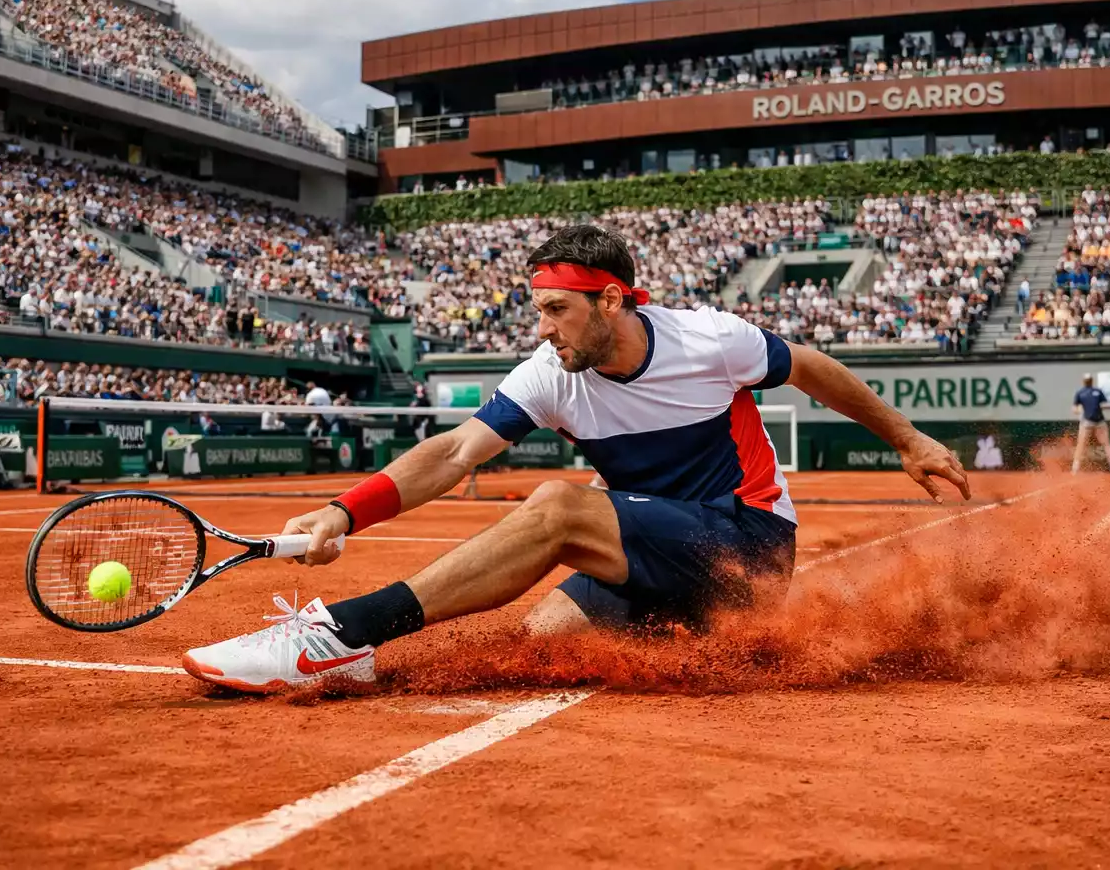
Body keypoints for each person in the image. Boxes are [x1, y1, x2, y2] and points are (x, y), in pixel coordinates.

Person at [182, 225, 970, 693]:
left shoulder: (709, 339)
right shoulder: (549, 373)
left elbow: (810, 367)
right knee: (546, 640)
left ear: (612, 300)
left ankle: (337, 636)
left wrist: (908, 439)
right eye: (540, 310)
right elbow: (455, 451)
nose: (544, 328)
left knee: (558, 507)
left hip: (747, 545)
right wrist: (342, 511)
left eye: (558, 309)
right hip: (658, 554)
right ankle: (701, 636)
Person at [1072, 374, 1110, 475]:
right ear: (1090, 381)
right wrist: (1082, 411)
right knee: (1083, 444)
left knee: (1104, 444)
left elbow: (1102, 404)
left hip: (1097, 422)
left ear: (1085, 381)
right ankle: (1075, 468)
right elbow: (1075, 409)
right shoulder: (1082, 392)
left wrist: (1086, 410)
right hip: (1089, 422)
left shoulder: (1095, 392)